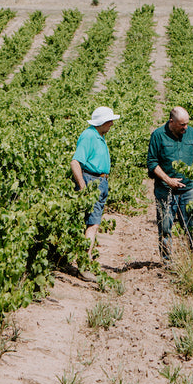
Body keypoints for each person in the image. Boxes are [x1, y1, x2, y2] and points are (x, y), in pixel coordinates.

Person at [146, 106, 193, 264]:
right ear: (171, 121)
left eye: (187, 124)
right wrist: (169, 180)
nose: (185, 127)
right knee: (165, 227)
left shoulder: (191, 133)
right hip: (165, 190)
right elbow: (152, 164)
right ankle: (167, 262)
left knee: (192, 226)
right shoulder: (158, 135)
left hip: (189, 190)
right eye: (182, 125)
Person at [71, 105, 118, 267]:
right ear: (103, 122)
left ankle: (86, 259)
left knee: (93, 222)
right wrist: (83, 187)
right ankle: (84, 264)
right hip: (92, 181)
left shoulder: (99, 135)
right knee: (92, 224)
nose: (112, 124)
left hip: (100, 182)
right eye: (110, 121)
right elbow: (75, 162)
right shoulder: (89, 136)